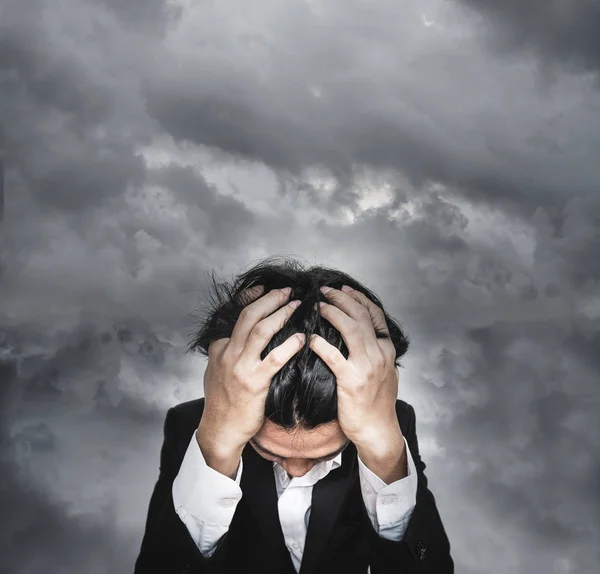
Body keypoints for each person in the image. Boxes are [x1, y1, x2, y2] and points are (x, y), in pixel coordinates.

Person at [134, 258, 453, 573]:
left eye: (326, 455)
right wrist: (216, 453)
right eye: (270, 451)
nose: (298, 471)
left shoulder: (388, 424)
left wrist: (385, 459)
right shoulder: (191, 427)